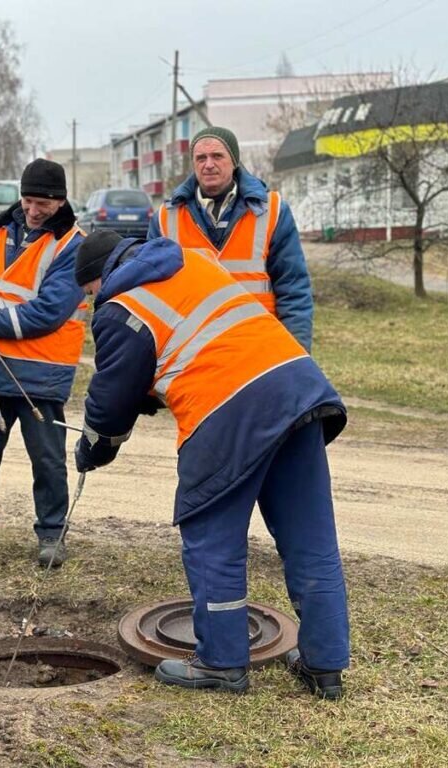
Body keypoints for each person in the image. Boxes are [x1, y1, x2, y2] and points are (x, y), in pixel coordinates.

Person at [72, 230, 350, 699]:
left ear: (101, 277)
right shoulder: (191, 262)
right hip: (297, 389)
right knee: (311, 540)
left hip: (229, 411)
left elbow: (109, 403)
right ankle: (325, 667)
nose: (91, 303)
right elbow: (203, 343)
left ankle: (222, 664)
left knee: (211, 539)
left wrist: (93, 448)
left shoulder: (122, 306)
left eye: (89, 293)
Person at [0, 158, 87, 573]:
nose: (32, 210)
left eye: (42, 204)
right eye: (28, 201)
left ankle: (51, 534)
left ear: (60, 201)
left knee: (47, 461)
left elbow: (50, 311)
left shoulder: (72, 245)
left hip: (40, 373)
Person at [148, 126, 313, 351]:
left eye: (217, 156)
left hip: (257, 347)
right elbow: (152, 297)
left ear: (234, 161)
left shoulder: (272, 211)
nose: (208, 164)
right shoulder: (165, 219)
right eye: (201, 158)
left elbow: (293, 289)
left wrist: (297, 355)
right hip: (192, 352)